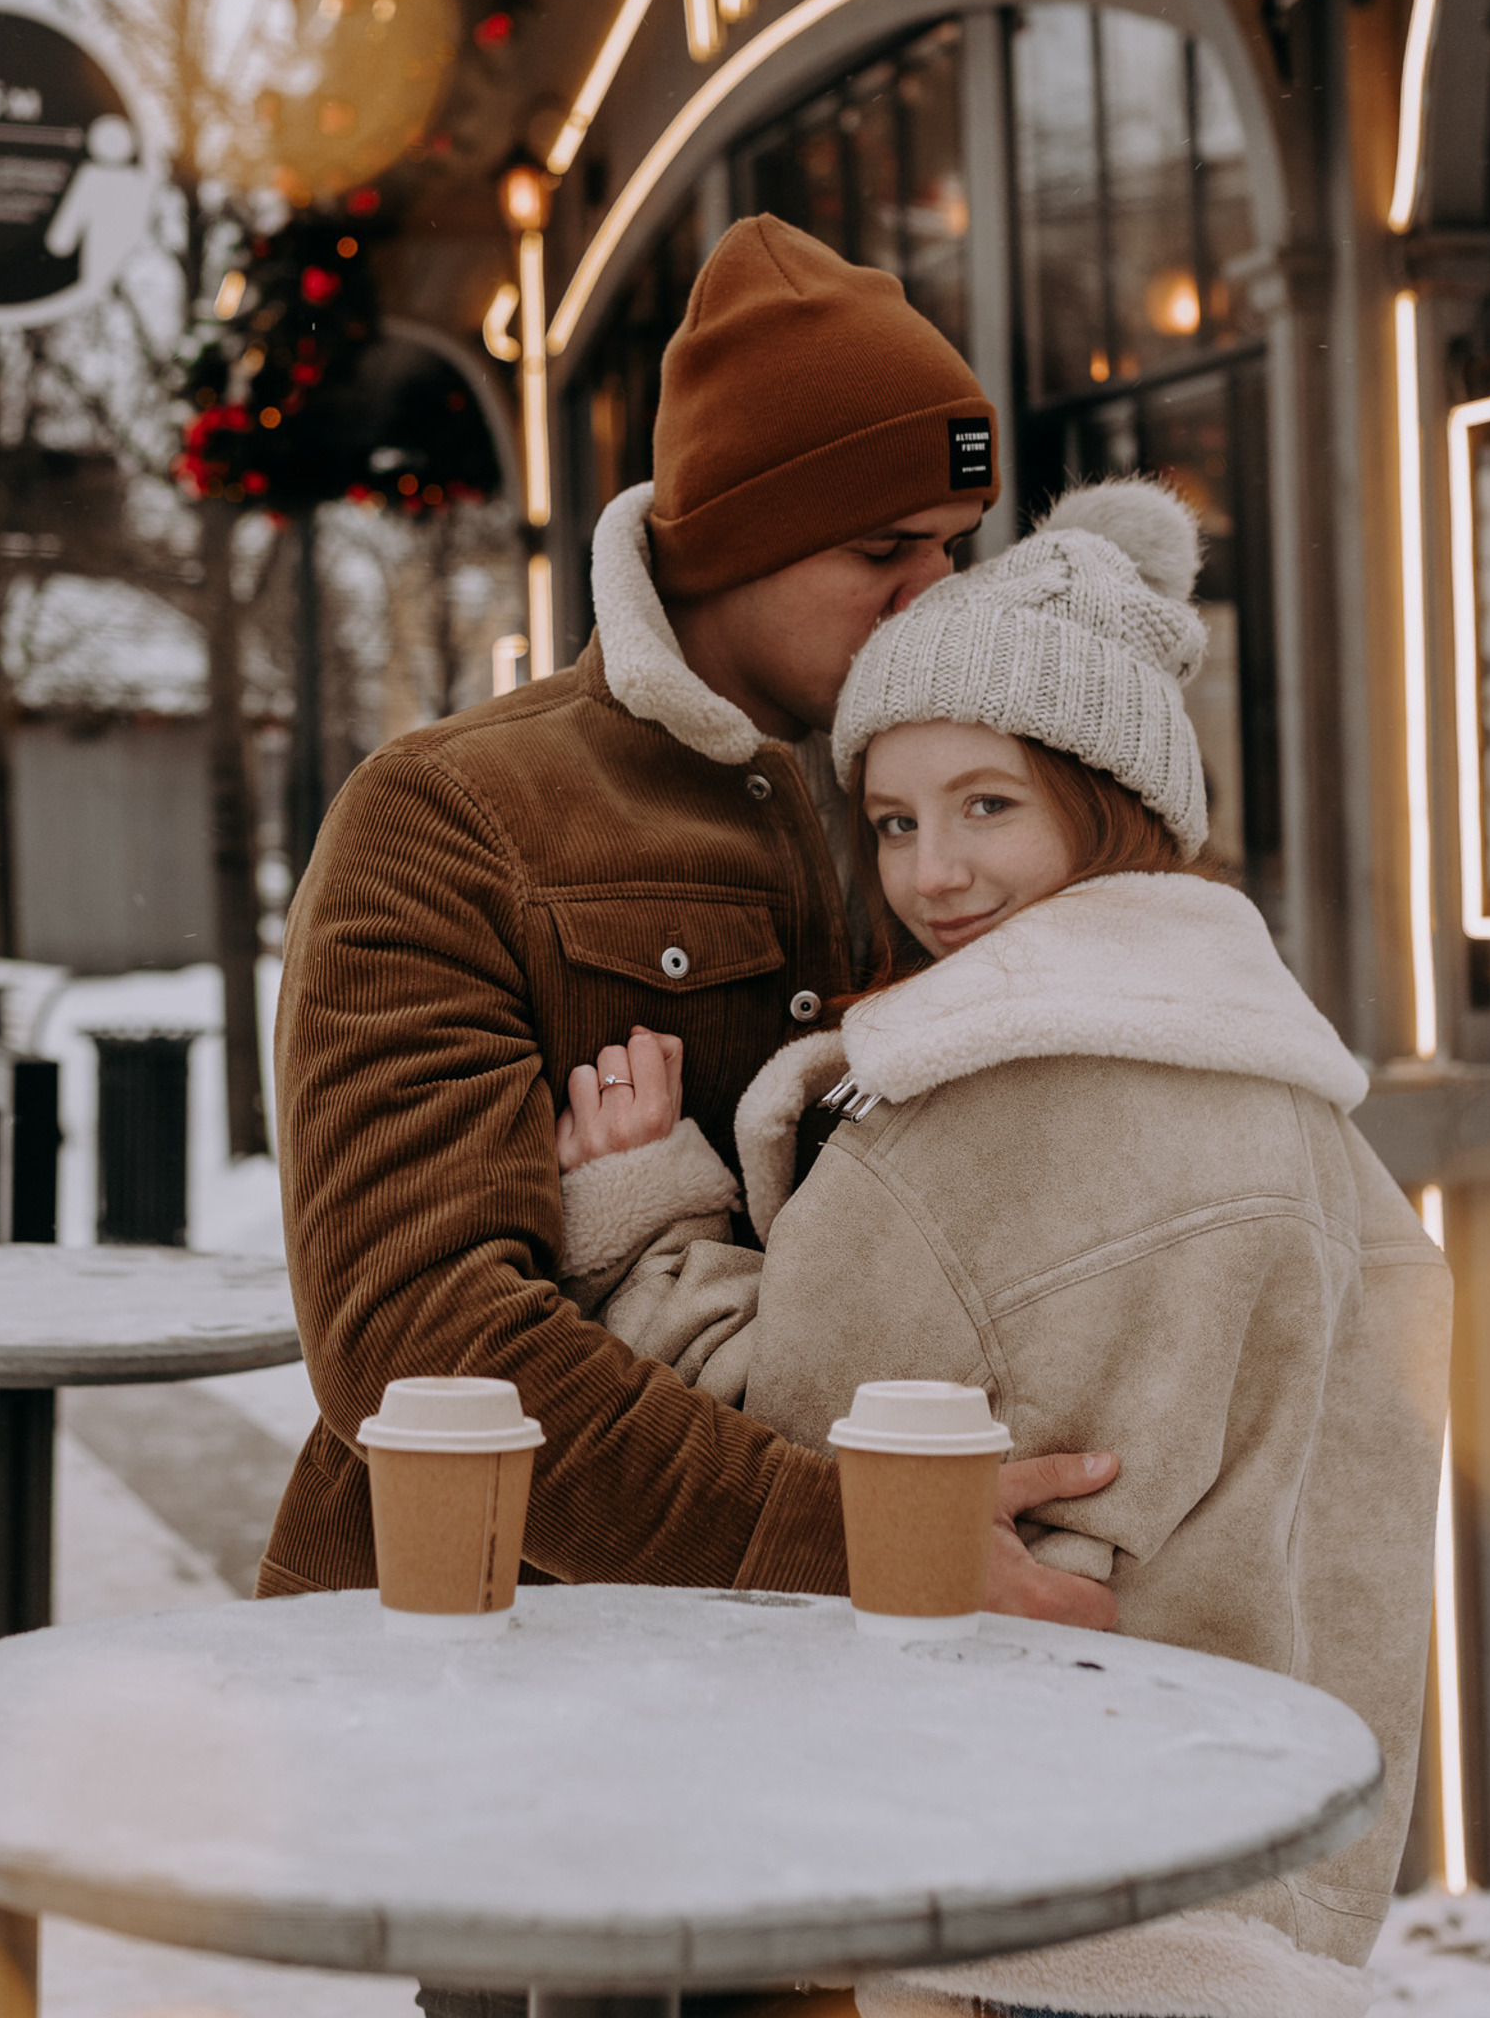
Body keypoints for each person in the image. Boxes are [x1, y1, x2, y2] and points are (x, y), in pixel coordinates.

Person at [555, 478, 1453, 2018]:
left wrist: (648, 1223)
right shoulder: (1295, 1100)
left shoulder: (988, 1103)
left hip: (1025, 1891)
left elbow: (785, 1437)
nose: (933, 875)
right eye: (896, 821)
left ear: (1110, 802)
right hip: (1249, 1862)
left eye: (989, 806)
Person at [259, 214, 1120, 1632]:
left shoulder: (970, 807)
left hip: (926, 1676)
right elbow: (418, 1345)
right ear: (732, 542)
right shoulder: (450, 815)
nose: (936, 596)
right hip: (499, 1661)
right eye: (884, 548)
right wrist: (852, 1542)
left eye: (956, 544)